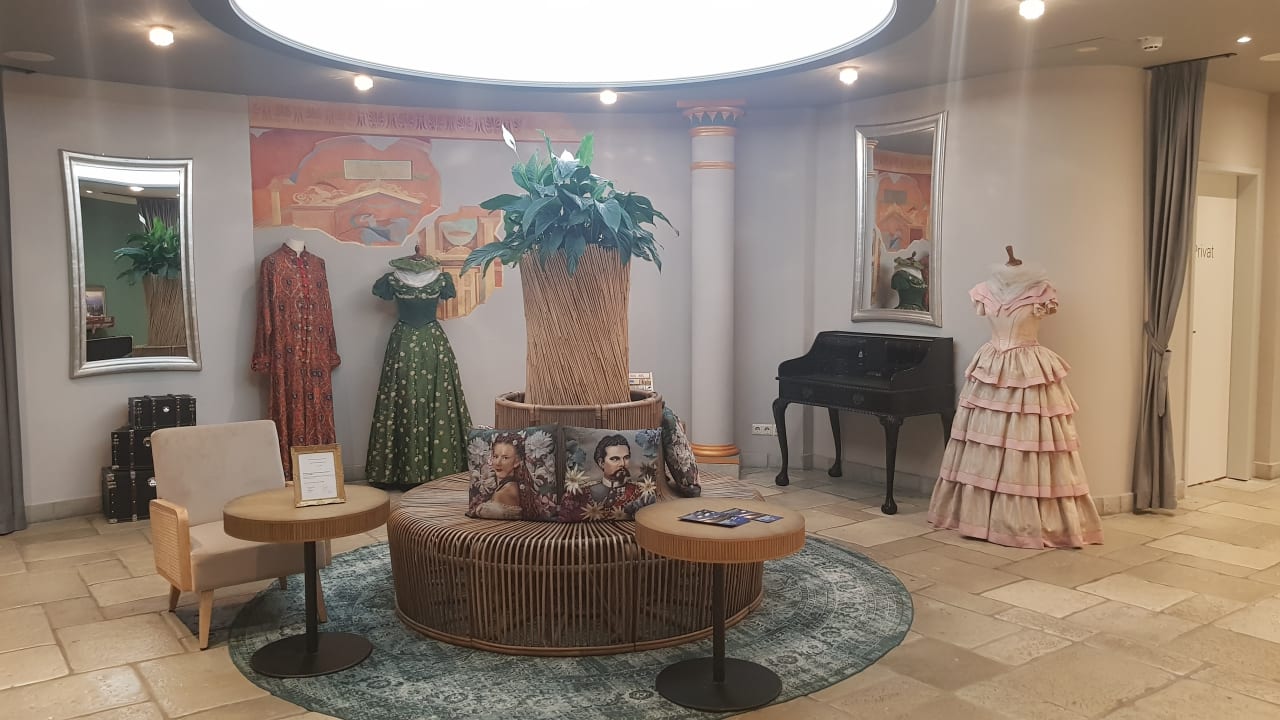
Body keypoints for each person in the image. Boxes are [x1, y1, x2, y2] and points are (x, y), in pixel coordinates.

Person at [472, 433, 539, 519]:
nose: (498, 463)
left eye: (505, 458)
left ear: (516, 461)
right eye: (495, 456)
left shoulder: (503, 494)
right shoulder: (512, 486)